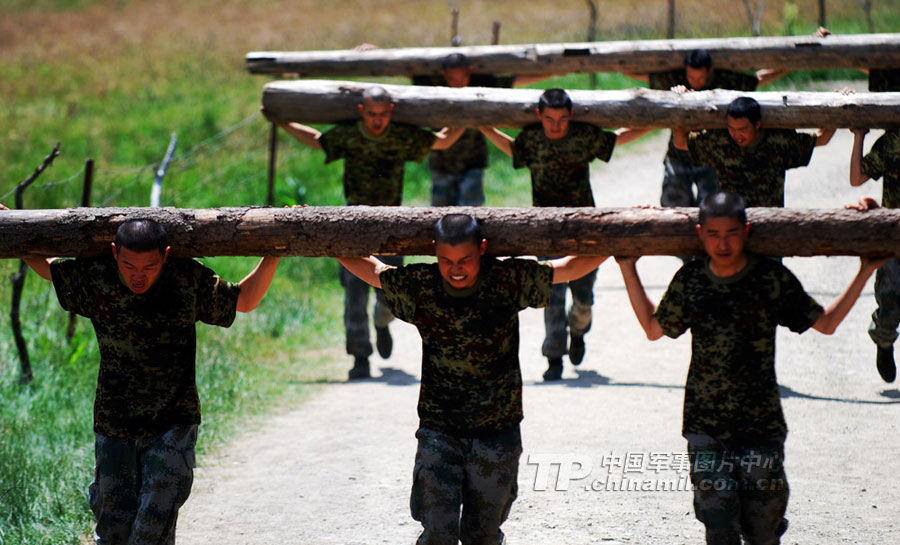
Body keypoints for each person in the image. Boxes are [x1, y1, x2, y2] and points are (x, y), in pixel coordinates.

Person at [616, 191, 885, 545]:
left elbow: (826, 323)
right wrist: (627, 267)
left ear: (747, 230)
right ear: (700, 233)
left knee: (761, 531)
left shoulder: (769, 279)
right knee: (719, 526)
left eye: (731, 233)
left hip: (760, 427)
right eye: (713, 234)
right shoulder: (692, 280)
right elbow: (654, 329)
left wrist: (866, 269)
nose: (722, 243)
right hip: (705, 426)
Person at [1, 211, 280, 545]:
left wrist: (273, 254)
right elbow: (49, 268)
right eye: (129, 266)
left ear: (164, 256)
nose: (139, 277)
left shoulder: (185, 281)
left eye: (149, 267)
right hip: (113, 424)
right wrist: (11, 228)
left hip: (172, 424)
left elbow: (244, 301)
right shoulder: (97, 278)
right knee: (113, 532)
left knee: (151, 530)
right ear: (115, 252)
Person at [338, 213, 607, 545]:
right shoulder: (423, 286)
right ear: (435, 253)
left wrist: (619, 244)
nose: (455, 269)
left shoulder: (506, 280)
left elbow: (565, 269)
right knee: (438, 533)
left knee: (482, 536)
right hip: (440, 431)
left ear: (482, 249)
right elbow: (376, 273)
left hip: (497, 432)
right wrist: (322, 240)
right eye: (445, 260)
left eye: (464, 259)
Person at [266, 86, 464, 379]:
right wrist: (283, 122)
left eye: (383, 115)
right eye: (371, 114)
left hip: (392, 221)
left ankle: (382, 323)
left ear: (391, 112)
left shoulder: (399, 135)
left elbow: (443, 141)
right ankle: (360, 357)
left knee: (391, 290)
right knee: (354, 292)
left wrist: (470, 113)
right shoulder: (351, 133)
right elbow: (319, 141)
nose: (377, 121)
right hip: (353, 219)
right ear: (362, 111)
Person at [480, 88, 651, 380]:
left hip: (584, 228)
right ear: (539, 116)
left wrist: (657, 122)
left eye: (561, 119)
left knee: (583, 297)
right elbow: (513, 149)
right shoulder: (533, 139)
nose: (555, 125)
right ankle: (554, 357)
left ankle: (579, 330)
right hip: (547, 230)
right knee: (551, 293)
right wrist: (486, 127)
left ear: (570, 116)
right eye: (549, 119)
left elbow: (617, 138)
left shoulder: (581, 137)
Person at [624, 32, 825, 208]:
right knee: (673, 204)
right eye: (691, 77)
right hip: (680, 153)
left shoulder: (726, 81)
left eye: (700, 78)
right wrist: (614, 56)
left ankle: (703, 252)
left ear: (710, 71)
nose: (695, 82)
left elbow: (762, 77)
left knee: (710, 207)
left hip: (711, 152)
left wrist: (807, 47)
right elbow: (632, 71)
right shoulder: (675, 79)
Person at [411, 52, 553, 206]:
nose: (459, 83)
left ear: (469, 71)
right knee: (439, 211)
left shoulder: (481, 85)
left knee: (471, 211)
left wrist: (556, 71)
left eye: (463, 78)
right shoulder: (433, 87)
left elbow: (514, 80)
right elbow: (409, 67)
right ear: (444, 75)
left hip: (473, 160)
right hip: (441, 162)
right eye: (453, 79)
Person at [673, 96, 835, 207]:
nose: (737, 135)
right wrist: (684, 101)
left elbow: (822, 138)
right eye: (732, 129)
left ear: (757, 125)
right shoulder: (720, 142)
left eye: (743, 129)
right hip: (732, 225)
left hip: (770, 226)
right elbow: (680, 142)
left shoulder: (778, 142)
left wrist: (838, 102)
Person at [850, 128, 900, 383]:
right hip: (894, 234)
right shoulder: (892, 142)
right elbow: (857, 178)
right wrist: (859, 135)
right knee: (891, 302)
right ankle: (884, 341)